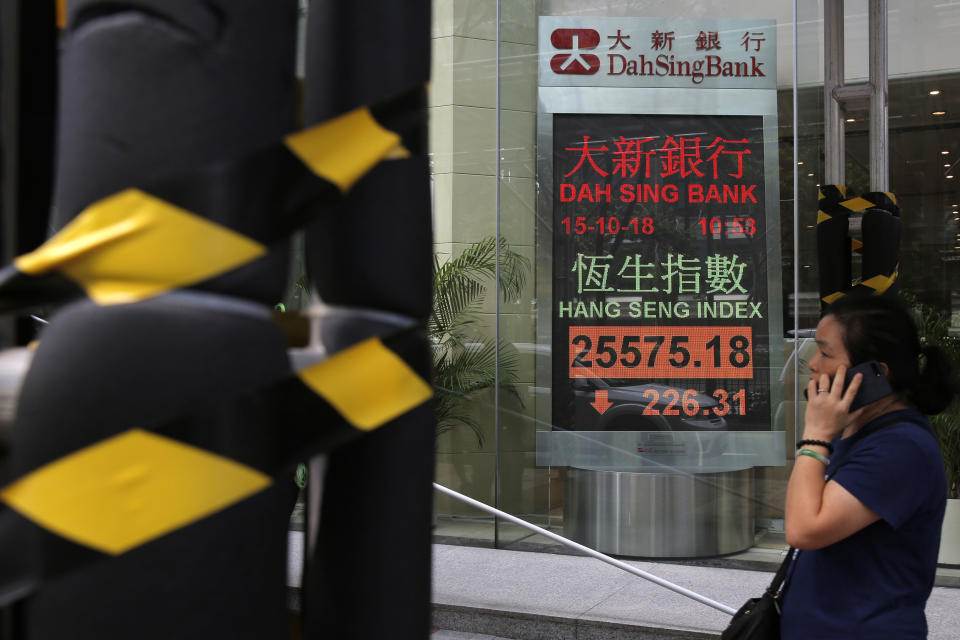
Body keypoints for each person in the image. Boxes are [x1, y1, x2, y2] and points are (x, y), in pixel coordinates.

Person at [780, 294, 954, 639]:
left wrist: (814, 437)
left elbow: (804, 529)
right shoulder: (862, 430)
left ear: (873, 373)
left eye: (826, 352)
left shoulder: (900, 448)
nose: (813, 364)